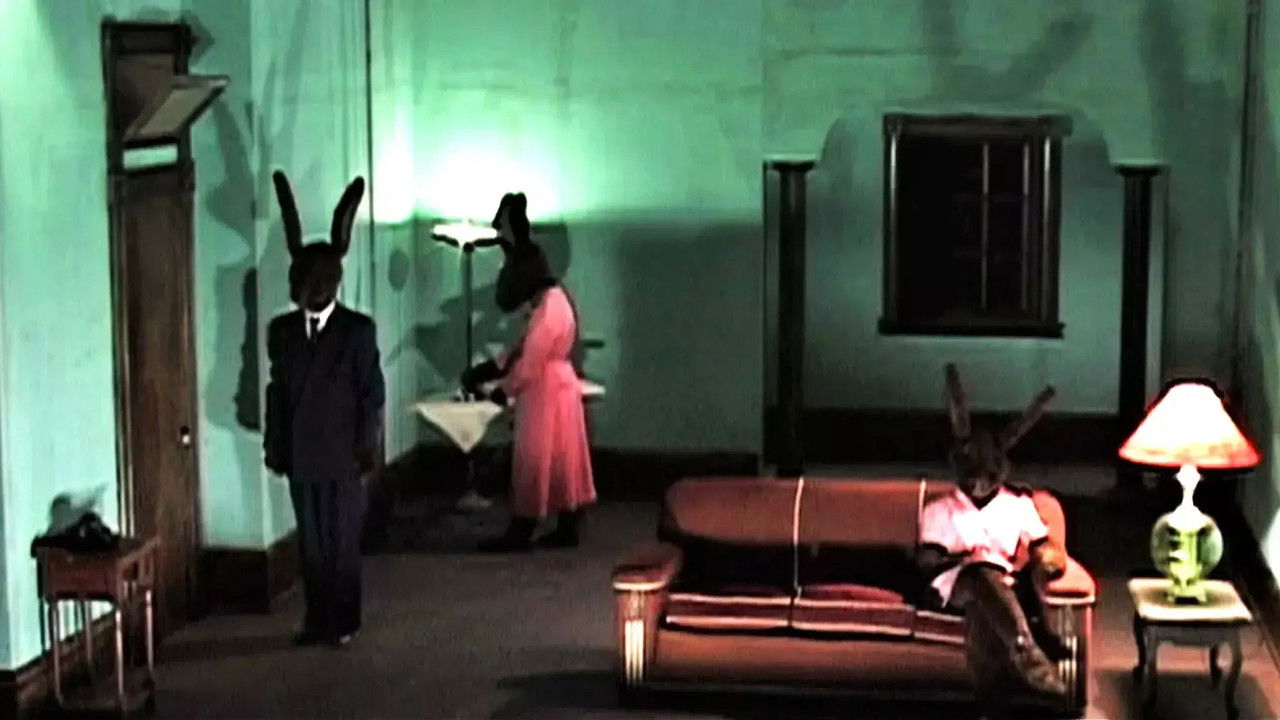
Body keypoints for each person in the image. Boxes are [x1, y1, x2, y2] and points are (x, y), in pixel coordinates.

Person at [264, 171, 385, 647]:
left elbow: (370, 393)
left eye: (320, 282)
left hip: (342, 455)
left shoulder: (357, 331)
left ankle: (344, 619)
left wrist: (366, 447)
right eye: (304, 282)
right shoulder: (282, 332)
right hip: (301, 455)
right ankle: (317, 620)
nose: (312, 291)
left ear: (333, 282)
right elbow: (277, 392)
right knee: (311, 541)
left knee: (341, 539)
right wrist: (275, 445)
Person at [462, 192, 596, 552]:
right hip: (558, 386)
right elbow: (521, 348)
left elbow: (529, 360)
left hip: (544, 391)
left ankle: (521, 530)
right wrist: (491, 368)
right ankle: (567, 526)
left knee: (533, 461)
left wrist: (501, 390)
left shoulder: (547, 309)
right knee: (563, 461)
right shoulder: (552, 302)